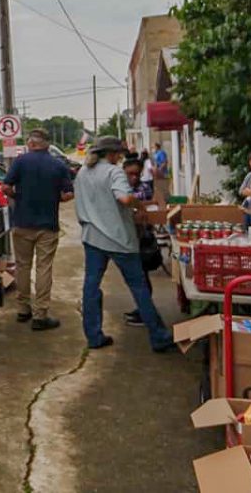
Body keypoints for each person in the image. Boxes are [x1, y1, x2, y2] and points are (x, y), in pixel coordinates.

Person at [74, 136, 174, 351]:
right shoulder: (113, 171)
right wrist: (140, 206)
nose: (120, 157)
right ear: (110, 153)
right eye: (118, 153)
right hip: (118, 238)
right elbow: (125, 199)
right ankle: (159, 337)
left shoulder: (83, 172)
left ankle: (94, 337)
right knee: (139, 288)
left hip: (92, 237)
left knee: (91, 286)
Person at [2, 128, 74, 331]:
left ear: (31, 143)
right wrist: (55, 198)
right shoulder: (58, 165)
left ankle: (23, 309)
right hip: (48, 225)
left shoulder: (20, 162)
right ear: (47, 144)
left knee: (23, 266)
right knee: (44, 268)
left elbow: (5, 187)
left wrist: (18, 198)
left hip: (22, 222)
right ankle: (40, 314)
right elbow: (69, 193)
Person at [122, 158, 163, 327]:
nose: (133, 178)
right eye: (129, 174)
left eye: (136, 174)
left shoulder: (142, 188)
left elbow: (133, 202)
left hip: (142, 240)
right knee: (137, 278)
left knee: (141, 277)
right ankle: (141, 308)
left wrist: (141, 204)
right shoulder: (121, 187)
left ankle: (145, 313)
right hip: (127, 239)